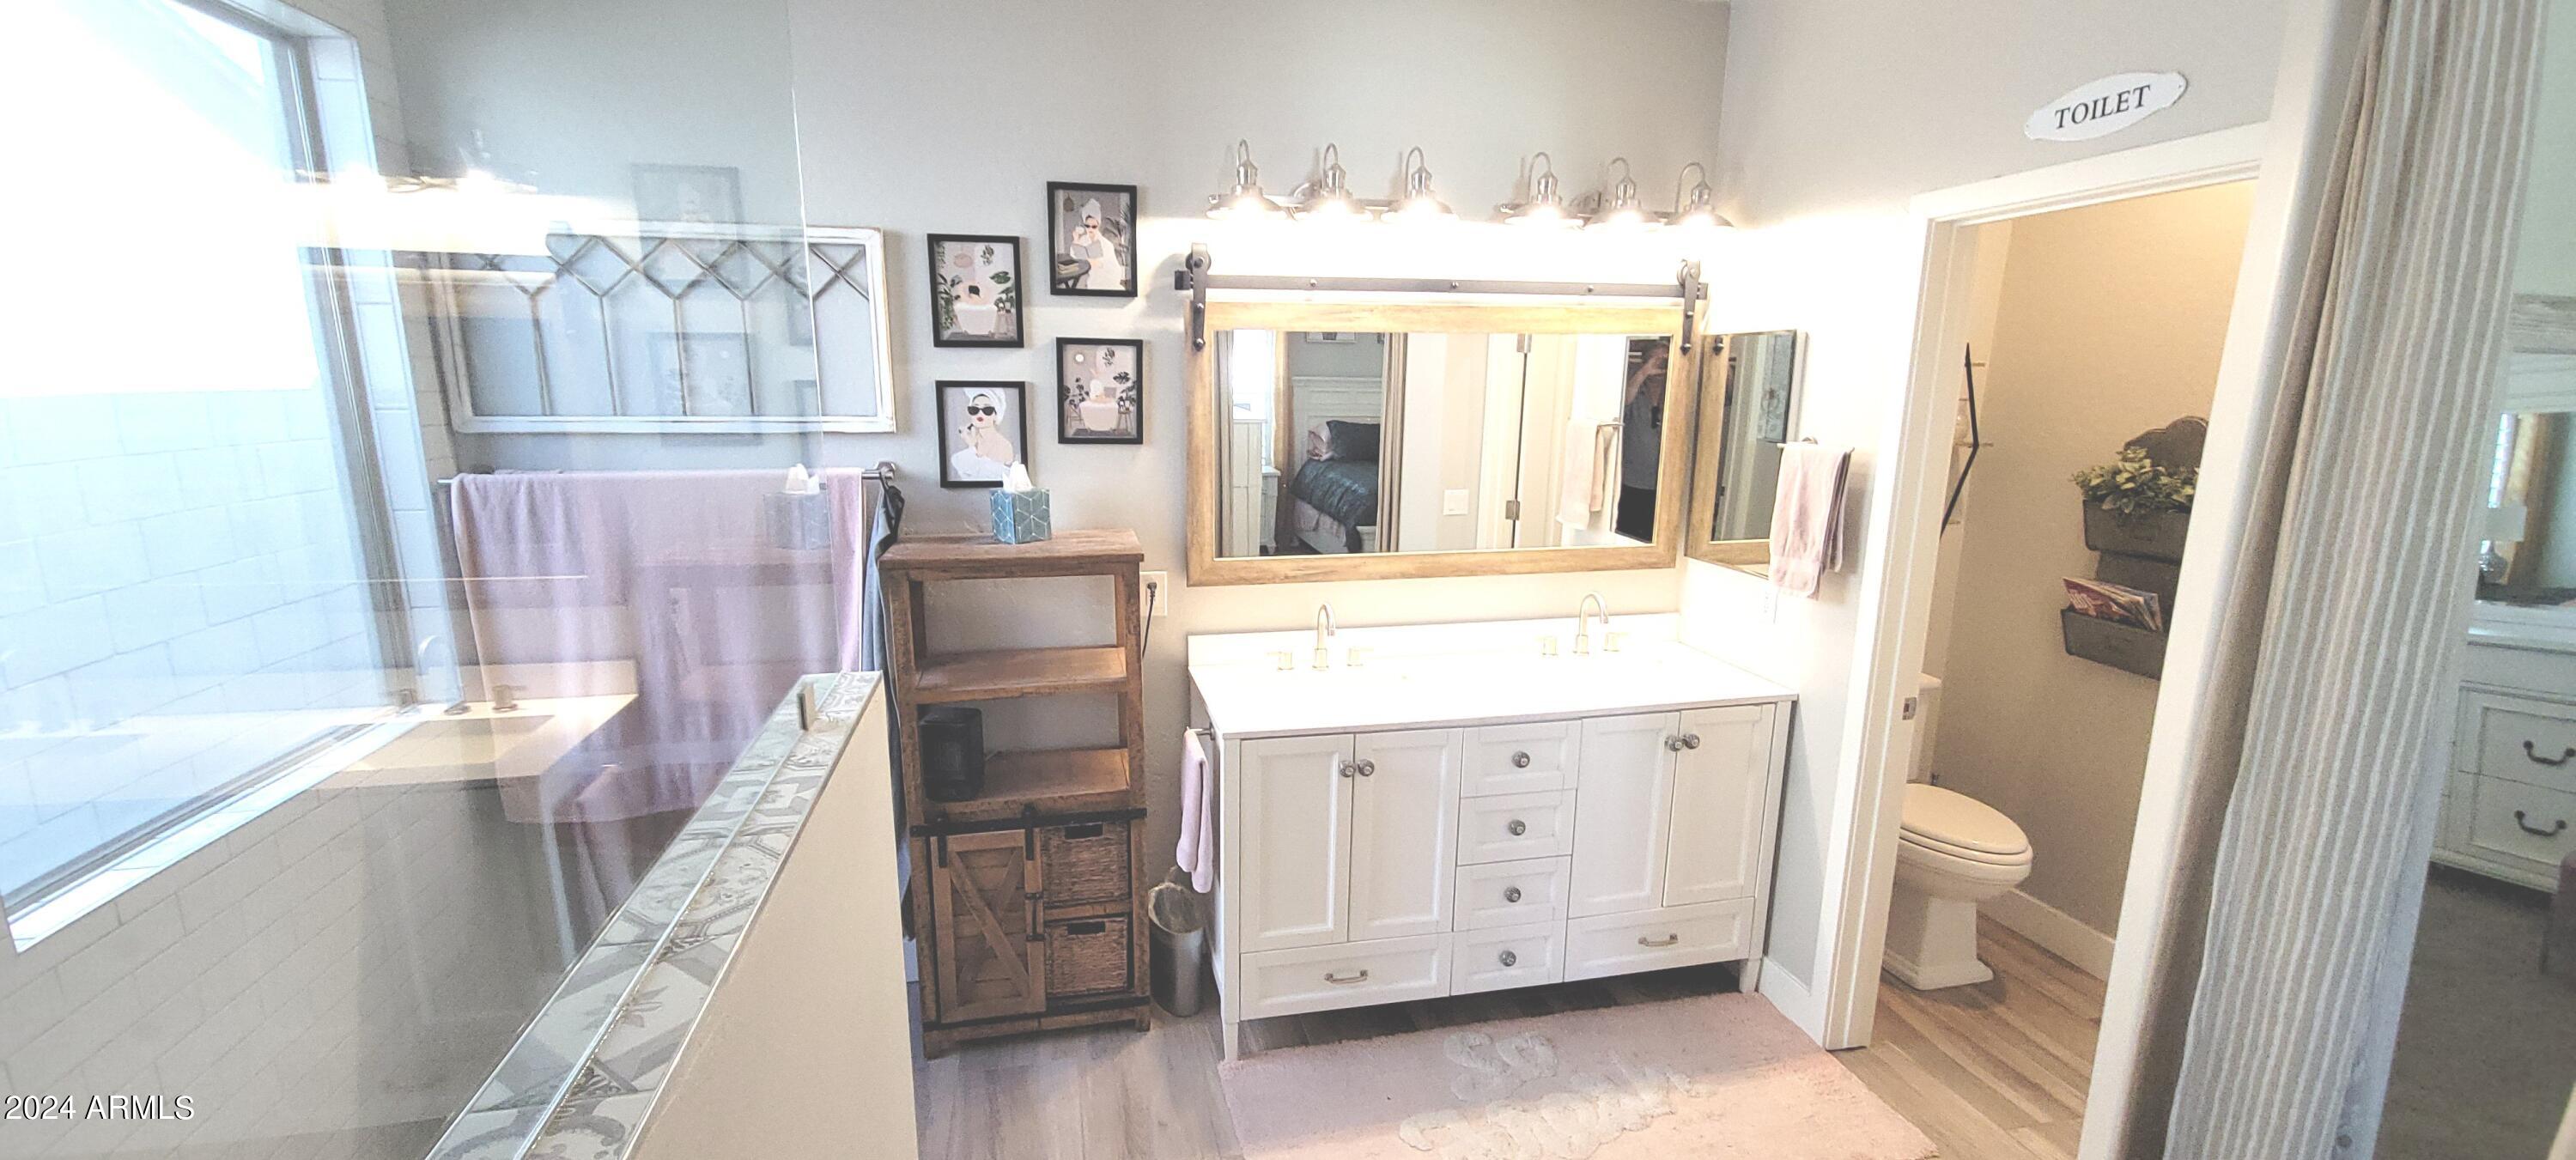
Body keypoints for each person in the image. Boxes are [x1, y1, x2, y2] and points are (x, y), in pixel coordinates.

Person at [951, 391, 1017, 481]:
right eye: (974, 409)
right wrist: (971, 446)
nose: (980, 414)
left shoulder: (1004, 446)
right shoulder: (970, 441)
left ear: (996, 415)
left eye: (987, 410)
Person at [1065, 198, 1127, 291]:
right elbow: (1074, 256)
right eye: (1087, 226)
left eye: (1094, 226)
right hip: (1092, 281)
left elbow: (1102, 265)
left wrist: (1090, 260)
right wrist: (1076, 240)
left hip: (1107, 281)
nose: (1090, 229)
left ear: (1098, 225)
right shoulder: (1084, 240)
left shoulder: (1105, 244)